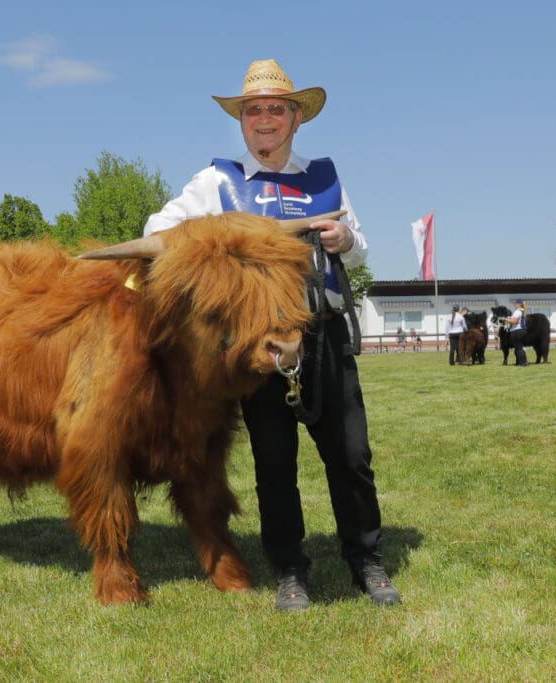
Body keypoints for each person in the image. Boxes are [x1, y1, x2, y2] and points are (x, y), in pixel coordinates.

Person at [143, 59, 399, 610]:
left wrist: (344, 237)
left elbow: (362, 248)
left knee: (350, 456)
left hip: (323, 334)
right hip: (260, 347)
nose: (264, 119)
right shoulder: (217, 181)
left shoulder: (325, 176)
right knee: (273, 463)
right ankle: (290, 569)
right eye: (253, 110)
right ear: (241, 121)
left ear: (295, 118)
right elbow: (156, 231)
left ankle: (366, 560)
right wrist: (220, 233)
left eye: (275, 109)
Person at [506, 299, 529, 366]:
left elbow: (515, 322)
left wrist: (507, 320)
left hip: (517, 331)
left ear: (519, 304)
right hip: (521, 331)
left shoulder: (517, 311)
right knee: (520, 347)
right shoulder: (522, 311)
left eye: (515, 303)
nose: (515, 305)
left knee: (518, 348)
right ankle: (523, 362)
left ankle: (522, 363)